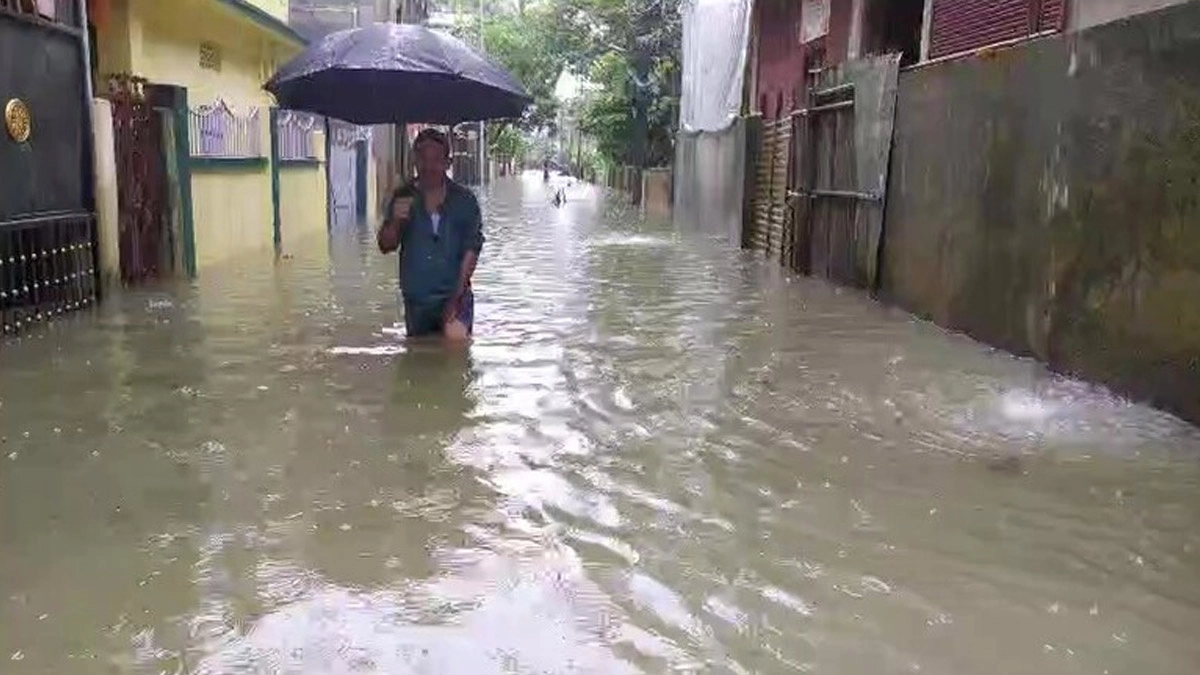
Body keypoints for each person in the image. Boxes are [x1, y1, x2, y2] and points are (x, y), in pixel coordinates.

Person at [377, 128, 484, 338]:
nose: (429, 166)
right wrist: (396, 222)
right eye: (423, 159)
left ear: (447, 163)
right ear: (414, 162)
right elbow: (386, 245)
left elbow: (472, 250)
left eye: (436, 159)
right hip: (417, 303)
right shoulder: (402, 196)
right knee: (418, 361)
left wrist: (456, 297)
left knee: (455, 352)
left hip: (455, 296)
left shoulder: (465, 201)